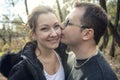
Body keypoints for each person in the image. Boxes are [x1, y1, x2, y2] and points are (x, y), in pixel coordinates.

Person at [0, 5, 71, 80]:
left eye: (56, 26)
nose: (54, 34)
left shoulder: (64, 55)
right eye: (44, 29)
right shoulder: (23, 70)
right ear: (33, 34)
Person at [61, 2, 118, 80]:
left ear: (87, 34)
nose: (61, 26)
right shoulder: (70, 57)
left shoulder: (102, 76)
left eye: (68, 22)